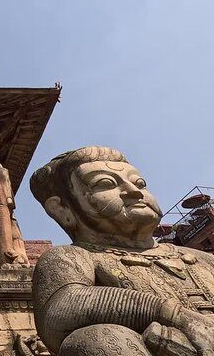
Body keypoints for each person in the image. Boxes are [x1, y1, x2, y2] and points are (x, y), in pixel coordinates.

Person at [30, 146, 214, 356]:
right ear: (63, 210)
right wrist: (172, 315)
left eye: (139, 183)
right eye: (106, 184)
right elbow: (60, 310)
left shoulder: (200, 259)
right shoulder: (70, 256)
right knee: (95, 338)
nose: (134, 191)